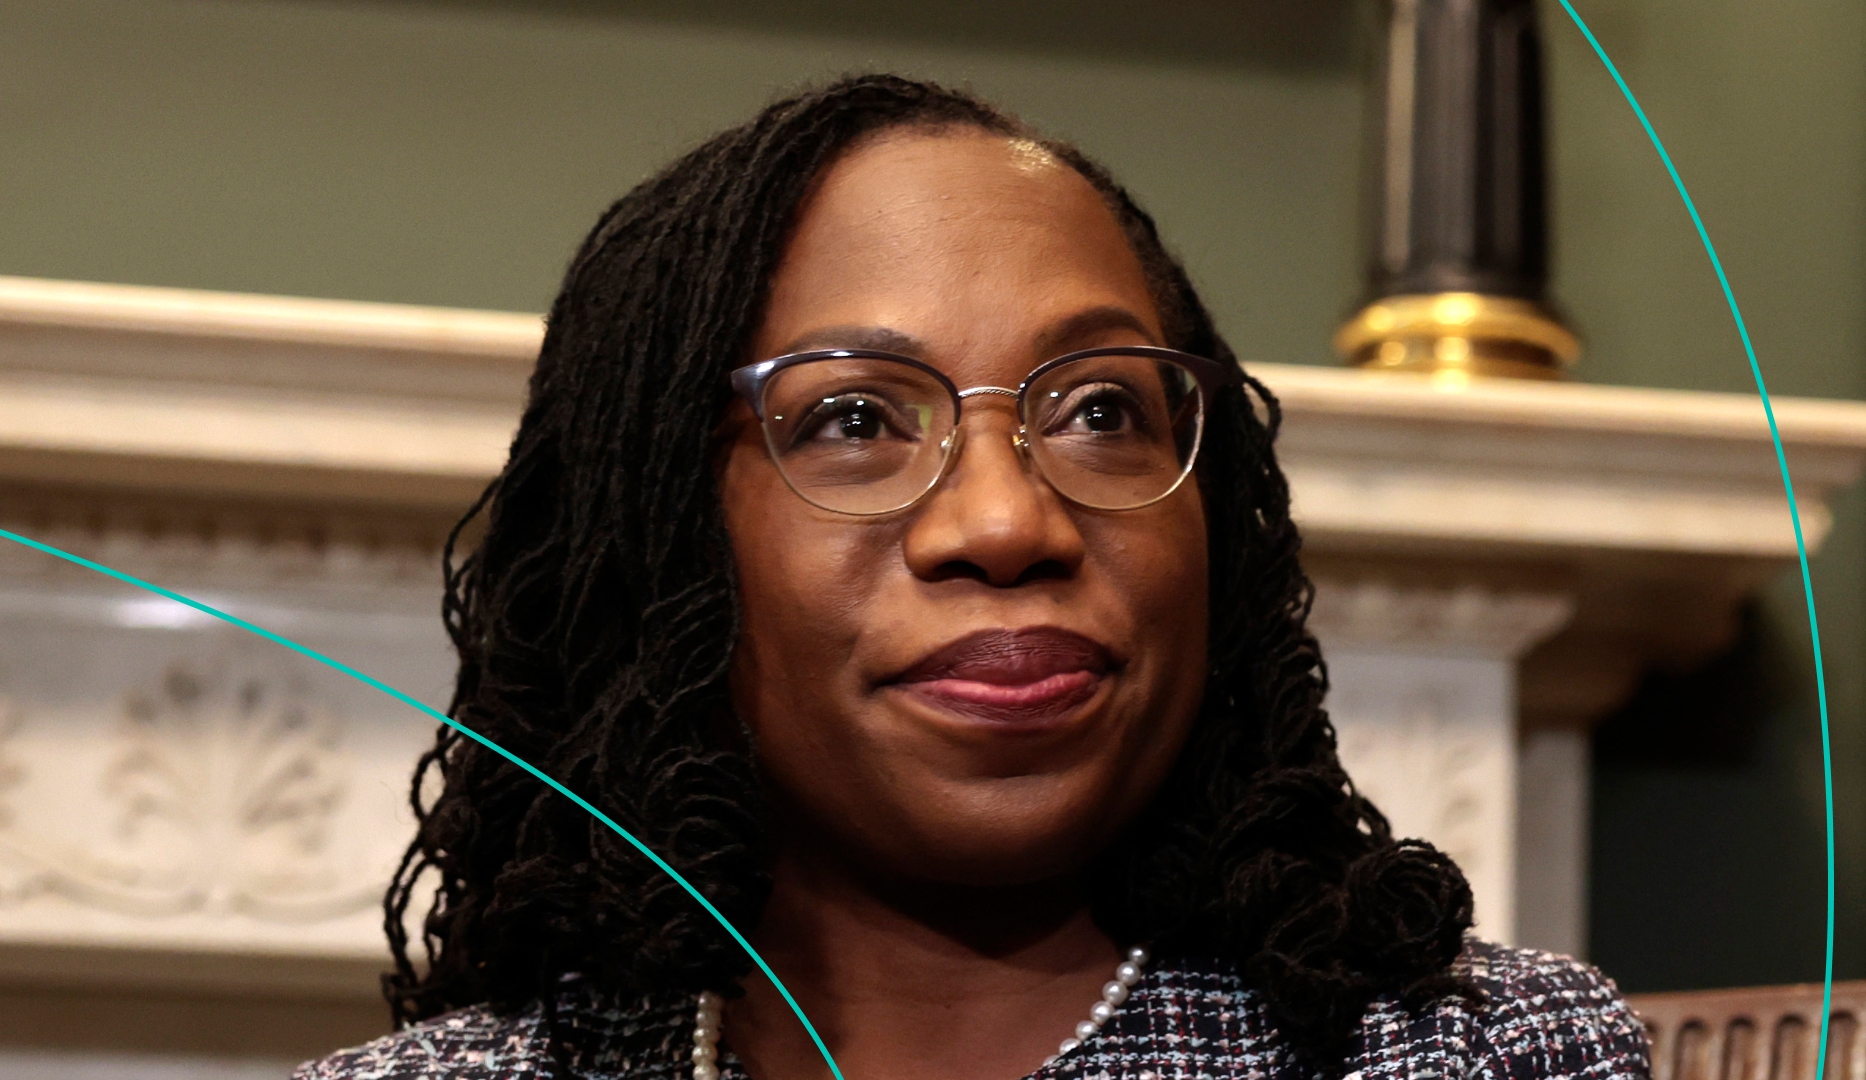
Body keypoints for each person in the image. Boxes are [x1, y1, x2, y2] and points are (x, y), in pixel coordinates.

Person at [296, 75, 1648, 1080]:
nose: (1007, 521)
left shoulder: (1480, 1054)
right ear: (661, 541)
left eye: (1101, 410)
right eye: (855, 419)